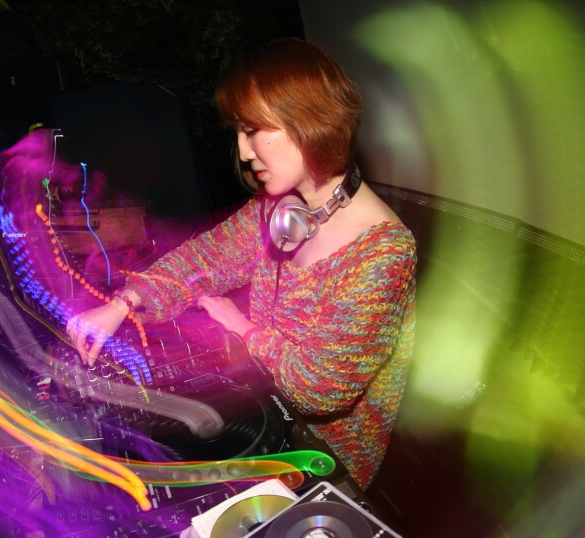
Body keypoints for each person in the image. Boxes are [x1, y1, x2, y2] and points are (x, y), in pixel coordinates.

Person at [66, 39, 416, 490]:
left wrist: (241, 327)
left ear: (309, 120)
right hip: (263, 406)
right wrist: (123, 303)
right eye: (238, 133)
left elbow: (319, 389)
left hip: (324, 460)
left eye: (252, 130)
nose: (245, 152)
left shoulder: (382, 252)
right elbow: (203, 260)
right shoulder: (279, 208)